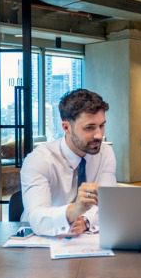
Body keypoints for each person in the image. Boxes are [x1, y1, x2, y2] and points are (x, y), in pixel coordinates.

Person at [20, 89, 117, 236]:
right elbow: (36, 218)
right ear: (66, 127)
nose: (99, 135)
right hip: (40, 238)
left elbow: (108, 204)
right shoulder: (39, 160)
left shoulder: (106, 153)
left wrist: (86, 220)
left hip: (84, 238)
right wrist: (73, 211)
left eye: (102, 126)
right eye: (89, 128)